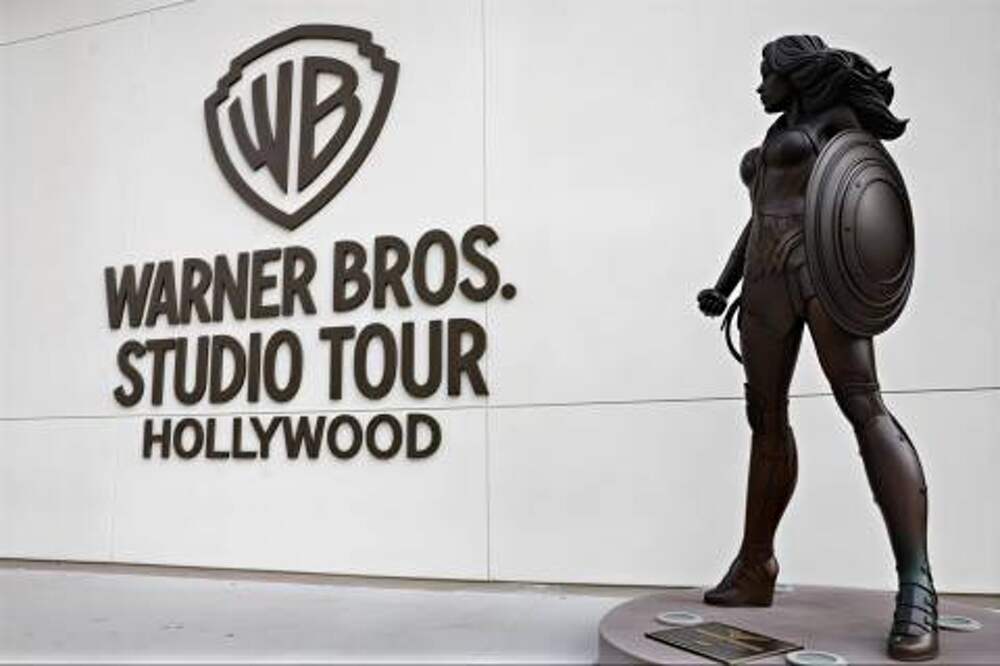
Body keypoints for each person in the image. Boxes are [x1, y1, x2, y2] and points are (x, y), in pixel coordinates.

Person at [696, 35, 937, 661]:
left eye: (766, 74)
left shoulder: (837, 121)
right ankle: (755, 566)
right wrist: (724, 284)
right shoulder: (781, 130)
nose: (759, 86)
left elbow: (865, 191)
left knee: (864, 407)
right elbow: (759, 215)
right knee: (765, 420)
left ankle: (917, 586)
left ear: (795, 75)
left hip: (818, 272)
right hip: (764, 281)